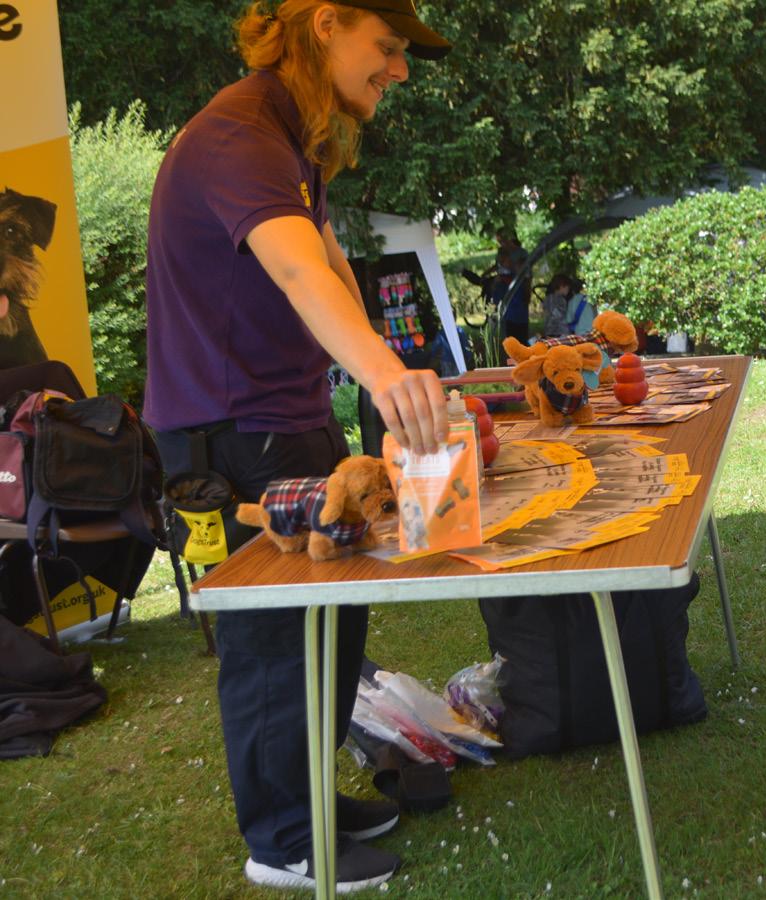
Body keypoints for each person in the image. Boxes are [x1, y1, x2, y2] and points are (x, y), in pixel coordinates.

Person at [142, 1, 451, 892]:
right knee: (276, 638)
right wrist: (387, 378)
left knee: (334, 614)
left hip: (286, 415)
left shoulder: (289, 135)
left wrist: (378, 369)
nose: (398, 70)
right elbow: (295, 268)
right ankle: (281, 840)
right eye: (386, 46)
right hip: (234, 430)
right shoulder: (237, 133)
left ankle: (306, 796)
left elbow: (333, 266)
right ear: (325, 24)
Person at [540, 273, 572, 338]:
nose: (568, 289)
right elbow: (559, 317)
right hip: (560, 333)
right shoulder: (561, 300)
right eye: (567, 287)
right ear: (561, 286)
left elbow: (545, 313)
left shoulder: (547, 298)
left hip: (548, 332)